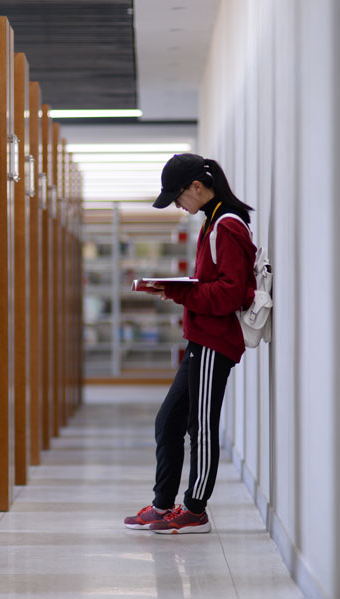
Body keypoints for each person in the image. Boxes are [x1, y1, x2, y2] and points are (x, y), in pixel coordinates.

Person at [124, 153, 257, 534]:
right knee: (168, 420)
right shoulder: (212, 222)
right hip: (201, 337)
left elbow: (230, 294)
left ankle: (195, 509)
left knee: (201, 426)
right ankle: (163, 504)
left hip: (216, 341)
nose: (180, 207)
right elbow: (215, 284)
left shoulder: (227, 227)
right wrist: (179, 289)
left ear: (196, 188)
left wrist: (182, 294)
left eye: (179, 198)